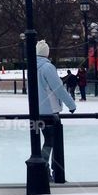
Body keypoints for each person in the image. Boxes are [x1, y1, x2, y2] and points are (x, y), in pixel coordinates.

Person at [36, 40, 77, 179]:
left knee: (48, 140)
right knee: (52, 141)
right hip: (50, 111)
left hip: (37, 111)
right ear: (46, 53)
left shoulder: (32, 67)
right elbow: (59, 89)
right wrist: (71, 105)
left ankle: (46, 169)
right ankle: (48, 169)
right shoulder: (47, 67)